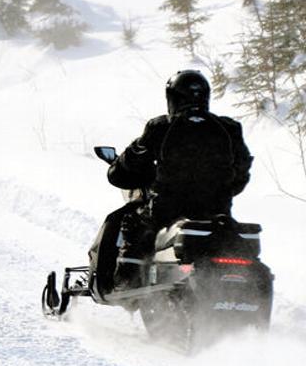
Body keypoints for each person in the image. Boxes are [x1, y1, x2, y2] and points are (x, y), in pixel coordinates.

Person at [95, 70, 253, 291]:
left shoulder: (160, 127)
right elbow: (242, 172)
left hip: (166, 211)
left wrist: (127, 166)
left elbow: (127, 168)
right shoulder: (229, 128)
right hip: (216, 211)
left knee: (129, 224)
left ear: (173, 98)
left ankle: (123, 283)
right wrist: (218, 189)